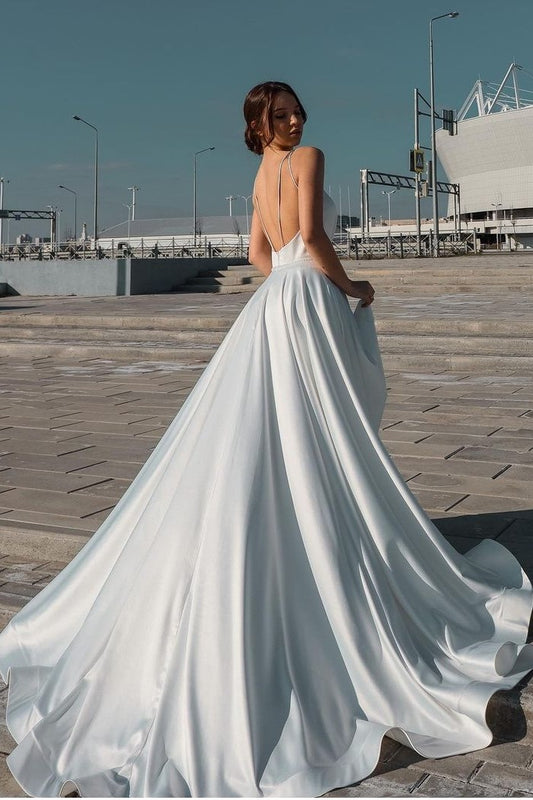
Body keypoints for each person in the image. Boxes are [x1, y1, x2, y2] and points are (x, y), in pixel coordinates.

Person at [0, 80, 531, 799]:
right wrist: (352, 290)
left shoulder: (256, 174)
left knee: (276, 435)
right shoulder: (306, 158)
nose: (295, 121)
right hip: (309, 299)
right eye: (280, 116)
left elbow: (259, 250)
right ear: (261, 125)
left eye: (295, 112)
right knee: (321, 435)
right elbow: (310, 238)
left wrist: (284, 278)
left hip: (271, 306)